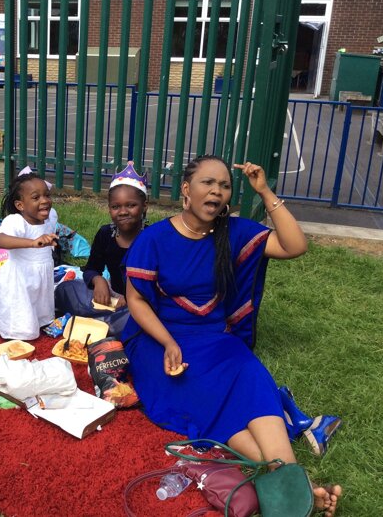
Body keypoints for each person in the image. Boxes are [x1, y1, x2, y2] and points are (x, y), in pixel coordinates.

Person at [121, 155, 341, 516]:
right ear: (186, 189)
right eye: (208, 183)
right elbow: (137, 300)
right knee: (204, 393)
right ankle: (293, 483)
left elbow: (294, 246)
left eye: (224, 185)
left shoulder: (234, 233)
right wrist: (169, 343)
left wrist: (265, 191)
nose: (217, 191)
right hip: (157, 340)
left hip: (215, 339)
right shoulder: (154, 239)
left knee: (249, 375)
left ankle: (293, 483)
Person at [55, 161, 148, 336]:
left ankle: (106, 325)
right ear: (109, 209)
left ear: (144, 206)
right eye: (116, 207)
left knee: (134, 319)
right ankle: (105, 323)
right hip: (112, 298)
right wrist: (98, 280)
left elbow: (159, 284)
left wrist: (131, 299)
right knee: (66, 289)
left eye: (131, 205)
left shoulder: (151, 239)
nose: (123, 212)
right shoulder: (105, 234)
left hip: (142, 303)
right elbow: (91, 268)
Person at [0, 172, 58, 341]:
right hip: (19, 280)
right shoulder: (16, 221)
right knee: (18, 332)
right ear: (20, 205)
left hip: (41, 279)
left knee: (41, 319)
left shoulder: (50, 217)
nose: (45, 200)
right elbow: (1, 240)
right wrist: (32, 242)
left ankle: (27, 316)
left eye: (47, 195)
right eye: (36, 197)